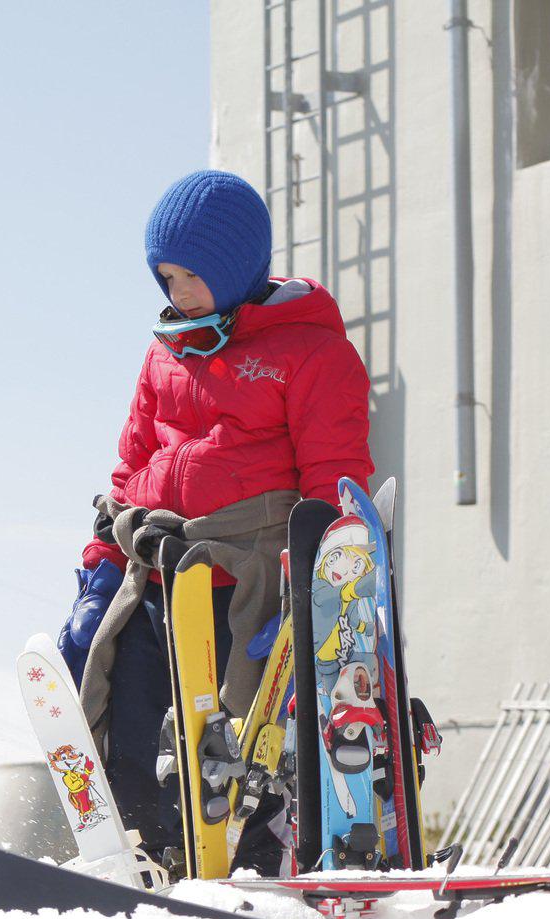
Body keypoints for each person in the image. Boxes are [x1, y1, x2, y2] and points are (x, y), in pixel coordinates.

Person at [56, 169, 372, 870]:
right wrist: (100, 573)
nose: (176, 294)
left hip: (247, 575)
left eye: (190, 276)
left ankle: (252, 859)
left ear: (234, 266)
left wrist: (318, 595)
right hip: (159, 566)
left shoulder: (311, 353)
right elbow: (129, 468)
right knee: (133, 712)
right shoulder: (164, 351)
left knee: (231, 740)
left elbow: (335, 478)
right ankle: (146, 849)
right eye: (164, 277)